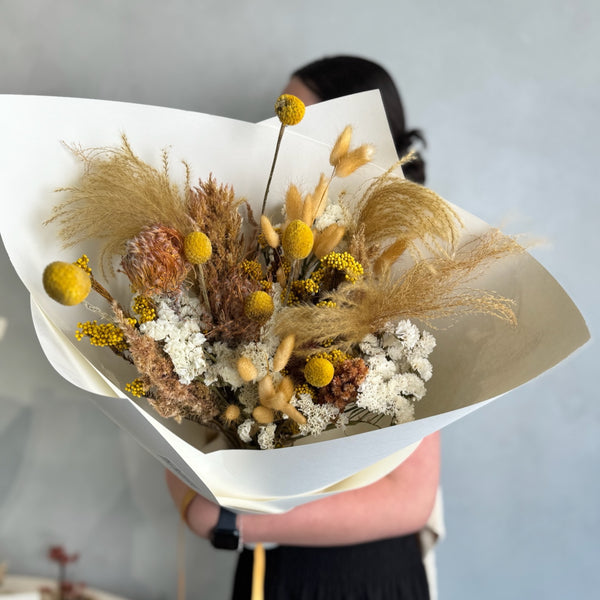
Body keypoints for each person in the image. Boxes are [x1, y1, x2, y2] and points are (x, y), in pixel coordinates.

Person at [166, 56, 440, 600]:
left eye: (300, 124)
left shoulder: (402, 271)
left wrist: (230, 524)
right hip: (267, 569)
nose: (281, 136)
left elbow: (410, 496)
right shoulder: (252, 263)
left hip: (362, 575)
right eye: (278, 121)